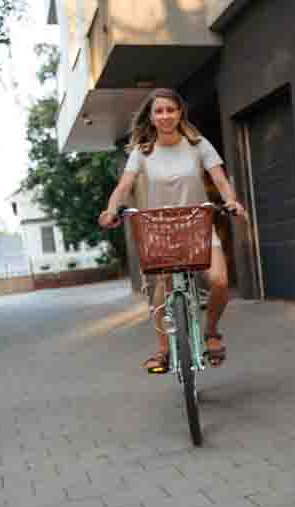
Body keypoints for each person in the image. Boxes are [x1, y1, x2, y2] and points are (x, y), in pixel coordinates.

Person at [97, 88, 246, 373]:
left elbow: (221, 179)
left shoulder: (198, 145)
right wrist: (110, 209)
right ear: (151, 118)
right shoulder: (142, 152)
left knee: (219, 281)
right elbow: (123, 187)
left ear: (180, 114)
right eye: (159, 111)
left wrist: (230, 201)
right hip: (160, 228)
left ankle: (211, 332)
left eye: (170, 110)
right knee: (163, 285)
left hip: (197, 224)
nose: (165, 115)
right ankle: (164, 349)